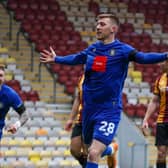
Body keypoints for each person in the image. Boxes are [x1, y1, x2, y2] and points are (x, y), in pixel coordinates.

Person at [40, 12, 168, 168]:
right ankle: (111, 149)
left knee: (93, 153)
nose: (97, 27)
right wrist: (57, 59)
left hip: (109, 109)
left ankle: (105, 149)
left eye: (102, 24)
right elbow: (76, 58)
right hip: (88, 110)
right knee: (88, 153)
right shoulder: (92, 49)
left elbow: (143, 57)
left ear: (113, 29)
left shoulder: (123, 50)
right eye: (97, 23)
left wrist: (165, 55)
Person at [65, 74, 118, 168]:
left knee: (90, 152)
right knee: (74, 150)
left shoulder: (104, 77)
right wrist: (70, 119)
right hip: (81, 119)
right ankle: (110, 149)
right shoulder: (82, 78)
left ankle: (111, 149)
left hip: (96, 118)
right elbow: (78, 98)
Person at [142, 60, 168, 168]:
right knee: (161, 153)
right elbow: (154, 101)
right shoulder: (160, 80)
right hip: (162, 121)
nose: (160, 64)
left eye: (163, 62)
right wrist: (145, 119)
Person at [0, 64, 29, 156]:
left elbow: (25, 114)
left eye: (0, 75)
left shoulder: (10, 94)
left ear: (4, 78)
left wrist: (16, 125)